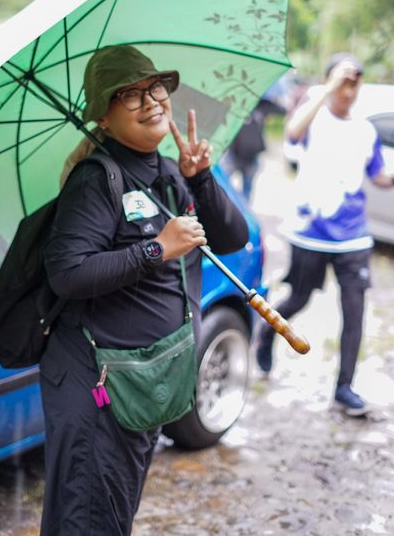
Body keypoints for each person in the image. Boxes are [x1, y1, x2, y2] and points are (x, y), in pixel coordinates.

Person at [39, 44, 249, 535]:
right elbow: (68, 273)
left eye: (155, 88)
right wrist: (156, 249)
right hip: (100, 389)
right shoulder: (95, 181)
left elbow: (232, 238)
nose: (151, 101)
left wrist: (202, 178)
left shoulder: (170, 173)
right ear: (104, 117)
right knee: (90, 520)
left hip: (144, 382)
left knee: (112, 514)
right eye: (130, 94)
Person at [255, 53, 394, 416]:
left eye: (353, 84)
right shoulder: (314, 118)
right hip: (311, 234)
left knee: (355, 312)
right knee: (298, 299)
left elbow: (378, 175)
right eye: (342, 83)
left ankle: (344, 388)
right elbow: (292, 132)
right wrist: (327, 88)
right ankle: (266, 334)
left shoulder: (365, 131)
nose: (348, 91)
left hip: (354, 237)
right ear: (329, 83)